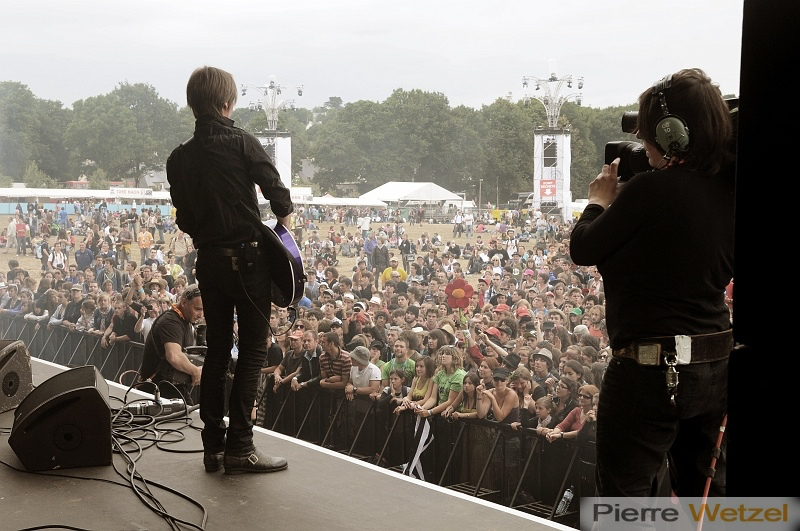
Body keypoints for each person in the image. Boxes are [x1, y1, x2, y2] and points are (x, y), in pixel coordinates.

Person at [570, 68, 734, 500]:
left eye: (647, 134)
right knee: (706, 495)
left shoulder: (648, 191)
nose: (643, 144)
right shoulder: (729, 190)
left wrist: (597, 202)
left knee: (624, 500)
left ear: (671, 133)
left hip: (650, 371)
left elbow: (584, 247)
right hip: (714, 366)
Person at [166, 66, 293, 475]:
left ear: (193, 104)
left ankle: (212, 448)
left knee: (218, 350)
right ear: (227, 102)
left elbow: (185, 218)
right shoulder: (242, 142)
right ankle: (241, 446)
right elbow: (279, 196)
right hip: (249, 260)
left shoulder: (179, 158)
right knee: (253, 350)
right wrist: (282, 233)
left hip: (209, 262)